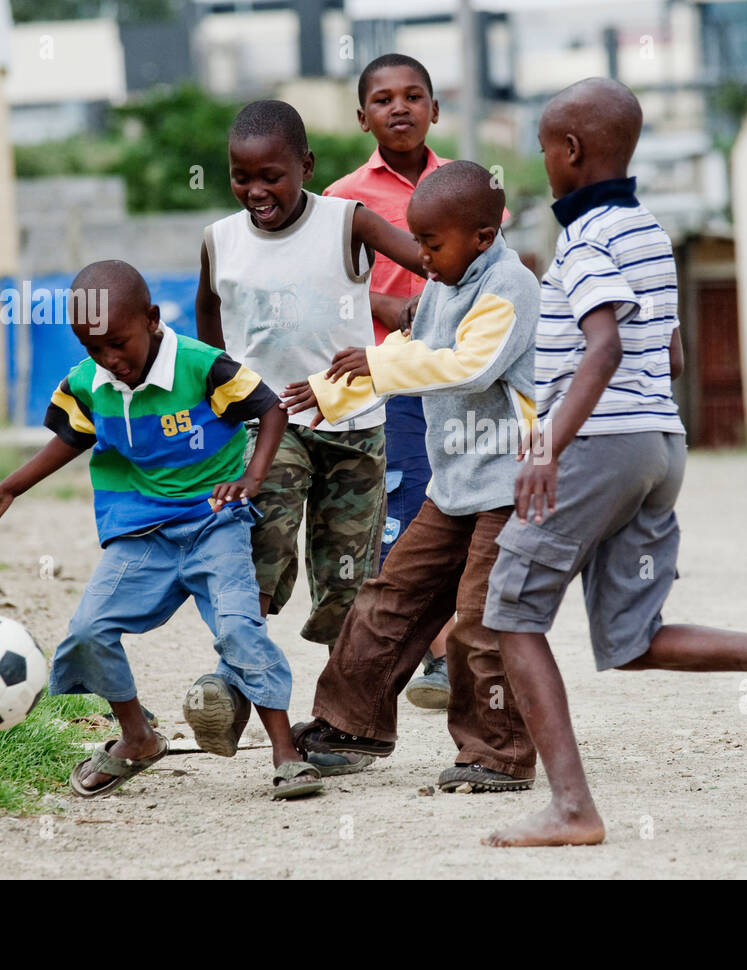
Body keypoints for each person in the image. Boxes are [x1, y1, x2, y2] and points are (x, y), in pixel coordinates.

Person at [480, 79, 747, 847]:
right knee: (631, 637)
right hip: (659, 444)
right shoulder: (648, 229)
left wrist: (548, 443)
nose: (543, 162)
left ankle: (573, 809)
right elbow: (671, 348)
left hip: (600, 444)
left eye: (546, 149)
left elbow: (604, 346)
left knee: (511, 611)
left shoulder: (585, 240)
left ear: (571, 153)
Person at [0, 260, 324, 800]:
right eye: (91, 347)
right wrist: (10, 488)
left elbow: (270, 411)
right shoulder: (87, 383)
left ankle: (285, 751)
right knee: (86, 631)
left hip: (213, 524)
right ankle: (137, 738)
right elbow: (73, 437)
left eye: (117, 343)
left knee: (240, 629)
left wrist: (252, 476)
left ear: (151, 319)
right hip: (141, 533)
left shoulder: (203, 366)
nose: (109, 359)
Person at [284, 161, 540, 791]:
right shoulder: (441, 287)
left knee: (482, 624)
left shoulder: (510, 284)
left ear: (481, 236)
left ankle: (498, 753)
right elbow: (405, 349)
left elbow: (470, 366)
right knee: (387, 600)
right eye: (419, 241)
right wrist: (330, 390)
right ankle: (351, 725)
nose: (421, 257)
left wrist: (375, 367)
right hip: (453, 487)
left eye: (432, 244)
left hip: (510, 490)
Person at [195, 100, 425, 773]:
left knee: (348, 580)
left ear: (307, 167)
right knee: (261, 543)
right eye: (241, 178)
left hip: (355, 424)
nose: (256, 191)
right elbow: (210, 317)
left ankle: (346, 724)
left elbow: (422, 256)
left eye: (272, 175)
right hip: (272, 422)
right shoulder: (219, 241)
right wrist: (225, 397)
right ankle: (234, 683)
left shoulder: (345, 220)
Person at [324, 53, 452, 710]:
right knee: (405, 509)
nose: (398, 107)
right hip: (388, 380)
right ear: (362, 116)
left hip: (461, 378)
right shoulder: (344, 199)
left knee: (465, 508)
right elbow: (329, 289)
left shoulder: (463, 187)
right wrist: (384, 307)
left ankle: (441, 652)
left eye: (413, 95)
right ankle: (423, 654)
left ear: (435, 108)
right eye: (383, 99)